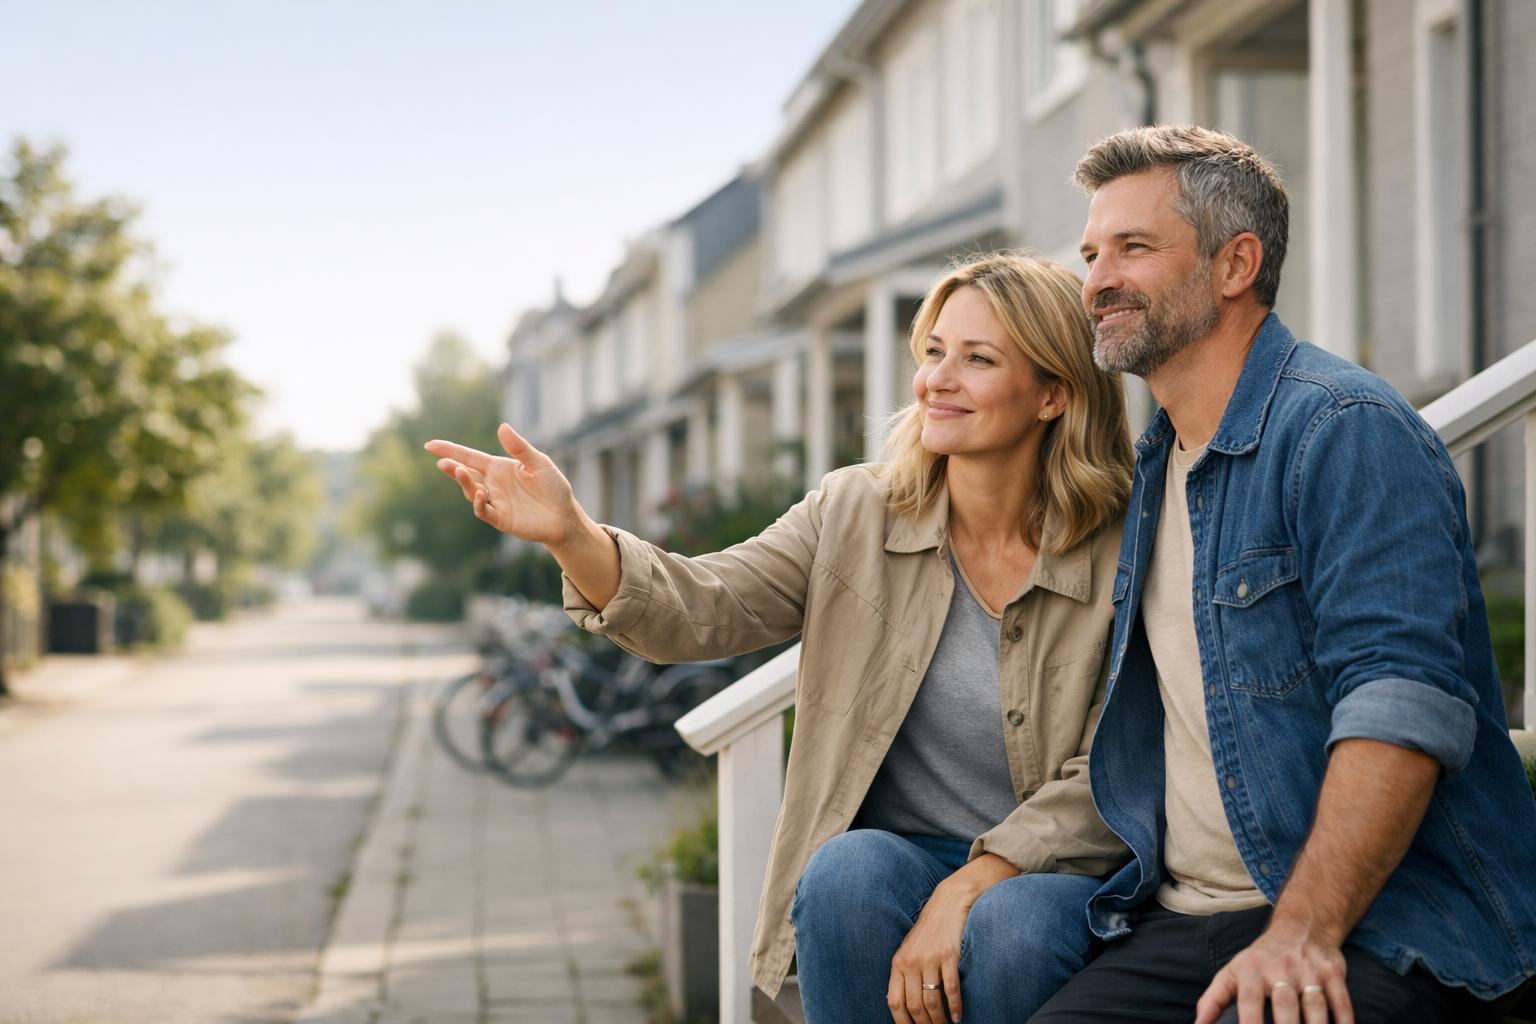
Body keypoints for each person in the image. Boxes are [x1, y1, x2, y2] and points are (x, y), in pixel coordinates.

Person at [425, 252, 1135, 1023]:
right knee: (842, 874)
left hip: (1058, 870)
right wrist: (571, 533)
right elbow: (704, 605)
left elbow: (1120, 766)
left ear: (1054, 394)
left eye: (978, 359)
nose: (938, 379)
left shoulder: (1127, 544)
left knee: (1014, 929)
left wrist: (974, 882)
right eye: (933, 351)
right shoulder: (854, 512)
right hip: (899, 857)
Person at [1028, 125, 1536, 1024]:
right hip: (1184, 919)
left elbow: (1402, 705)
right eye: (1091, 252)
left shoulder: (1343, 429)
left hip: (1382, 921)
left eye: (1134, 248)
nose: (1097, 279)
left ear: (1236, 265)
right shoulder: (1155, 466)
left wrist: (1300, 931)